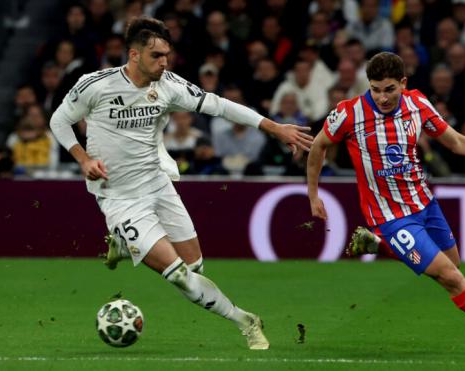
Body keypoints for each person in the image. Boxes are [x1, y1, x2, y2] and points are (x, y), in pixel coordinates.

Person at [49, 16, 313, 350]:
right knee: (178, 276)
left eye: (166, 55)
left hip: (158, 185)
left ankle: (119, 240)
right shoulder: (95, 85)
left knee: (195, 268)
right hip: (119, 197)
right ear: (134, 55)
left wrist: (273, 127)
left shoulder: (169, 85)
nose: (164, 62)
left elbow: (218, 105)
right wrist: (83, 159)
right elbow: (59, 120)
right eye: (156, 56)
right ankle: (245, 320)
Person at [306, 52, 465, 354]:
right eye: (375, 89)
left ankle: (376, 246)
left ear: (403, 83)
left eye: (389, 89)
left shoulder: (417, 104)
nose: (381, 97)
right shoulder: (350, 113)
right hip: (390, 216)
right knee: (452, 279)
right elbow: (319, 145)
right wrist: (313, 194)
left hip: (424, 203)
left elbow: (456, 142)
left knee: (453, 265)